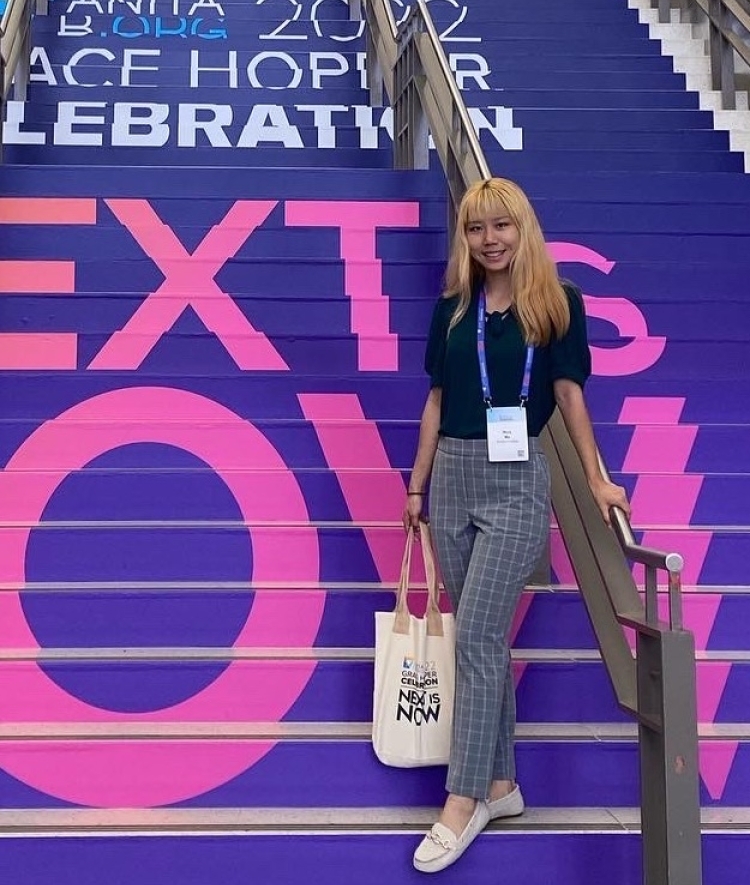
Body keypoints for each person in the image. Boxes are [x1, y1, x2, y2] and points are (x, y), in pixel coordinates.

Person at [402, 177, 631, 874]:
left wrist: (595, 478)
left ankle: (463, 796)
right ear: (465, 238)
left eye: (501, 226)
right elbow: (437, 401)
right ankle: (502, 783)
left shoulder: (557, 305)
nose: (490, 240)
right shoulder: (451, 310)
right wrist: (416, 483)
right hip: (453, 479)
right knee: (485, 642)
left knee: (474, 634)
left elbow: (569, 395)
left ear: (522, 229)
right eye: (477, 229)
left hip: (517, 483)